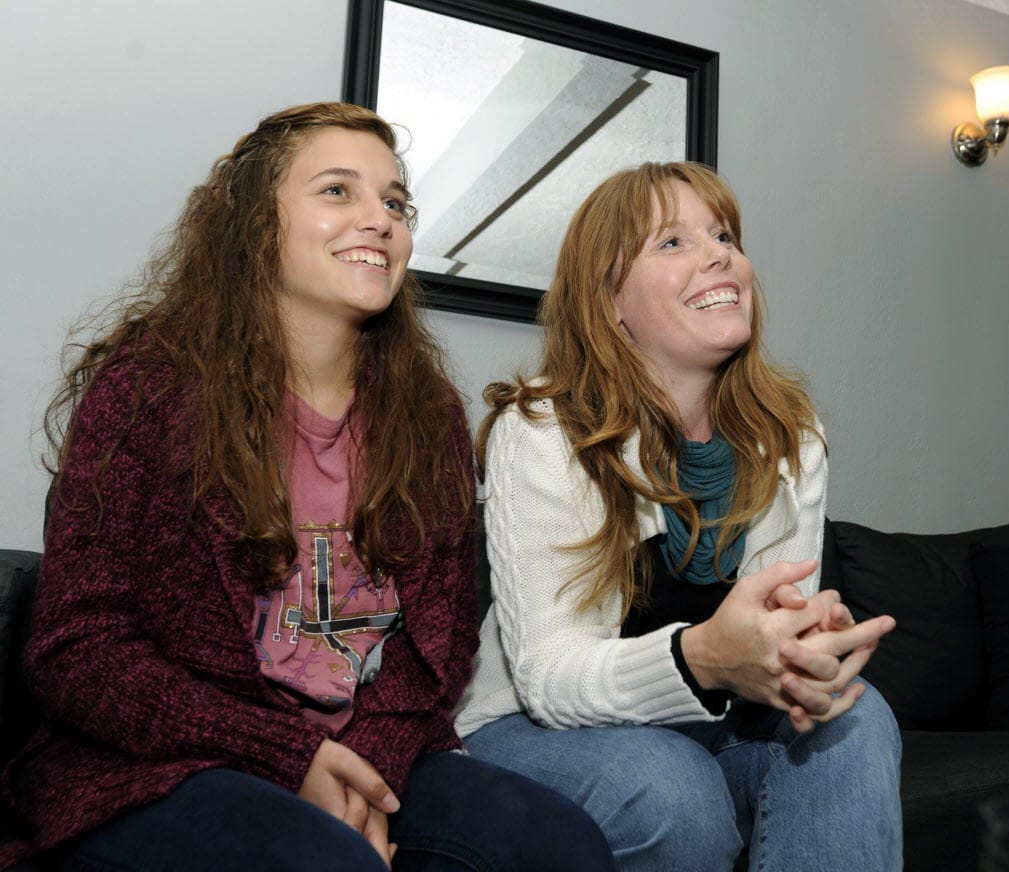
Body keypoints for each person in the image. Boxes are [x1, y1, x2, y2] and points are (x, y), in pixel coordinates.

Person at [0, 102, 614, 872]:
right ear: (256, 224)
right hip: (159, 762)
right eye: (337, 191)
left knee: (562, 846)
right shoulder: (147, 391)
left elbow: (441, 647)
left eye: (395, 202)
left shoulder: (428, 420)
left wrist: (370, 768)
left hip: (365, 748)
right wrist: (288, 756)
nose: (379, 219)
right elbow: (78, 653)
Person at [456, 161, 903, 871]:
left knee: (858, 715)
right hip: (529, 727)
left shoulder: (792, 433)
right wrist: (703, 659)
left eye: (723, 234)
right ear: (610, 302)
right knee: (670, 786)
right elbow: (548, 676)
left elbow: (774, 630)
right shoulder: (544, 427)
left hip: (705, 732)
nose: (720, 252)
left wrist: (805, 656)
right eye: (672, 242)